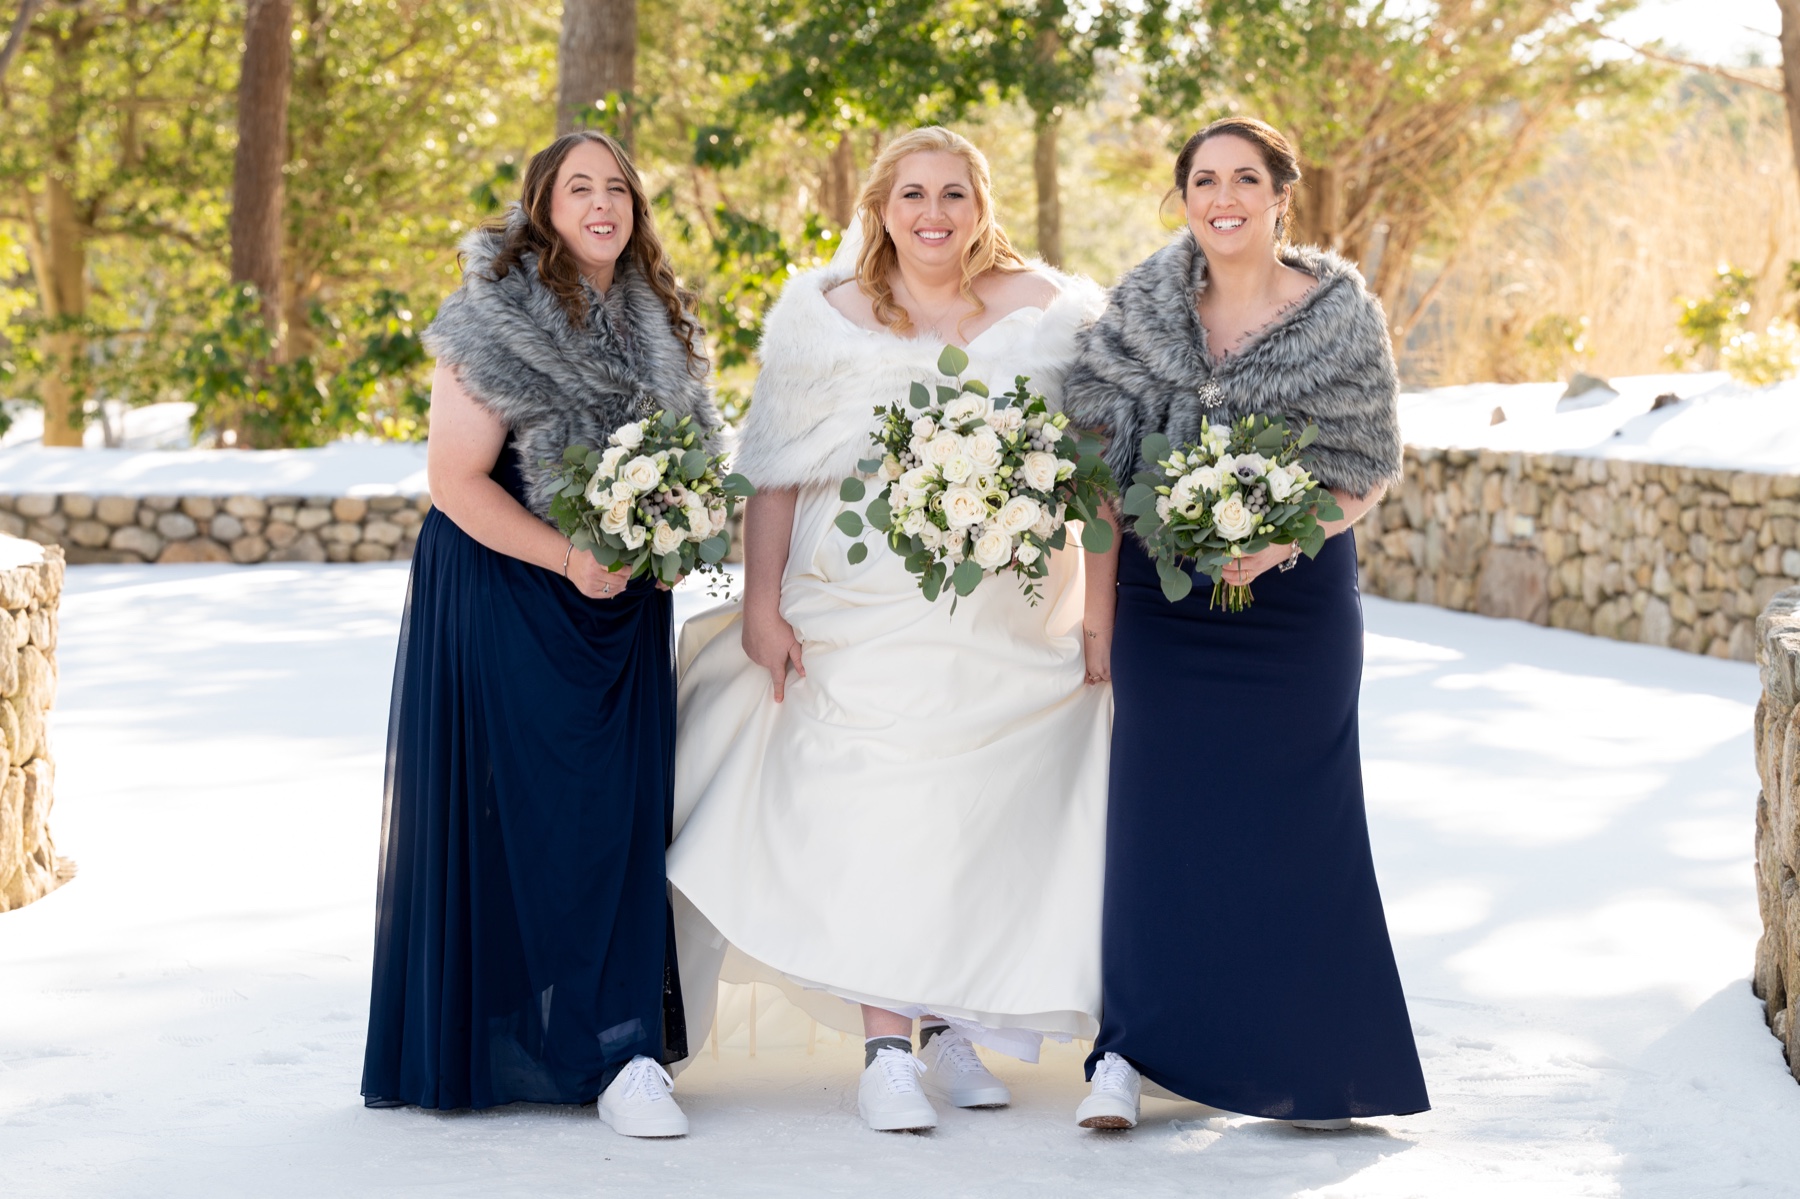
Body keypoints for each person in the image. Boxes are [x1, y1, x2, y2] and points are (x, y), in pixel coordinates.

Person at [667, 126, 1112, 1133]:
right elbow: (775, 470)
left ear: (982, 204)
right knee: (886, 801)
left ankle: (951, 1019)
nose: (934, 214)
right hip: (859, 591)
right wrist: (763, 602)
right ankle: (884, 1048)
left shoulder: (1049, 315)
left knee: (976, 809)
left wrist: (1098, 618)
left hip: (1008, 597)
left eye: (954, 193)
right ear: (880, 206)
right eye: (912, 194)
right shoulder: (825, 317)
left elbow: (1096, 483)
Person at [1063, 116, 1430, 1131]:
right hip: (1160, 606)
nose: (1223, 196)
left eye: (1244, 178)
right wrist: (1098, 617)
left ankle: (1310, 1059)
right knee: (1155, 827)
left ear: (1281, 195)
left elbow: (1369, 465)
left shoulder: (1341, 316)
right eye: (1203, 180)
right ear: (1183, 199)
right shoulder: (1135, 313)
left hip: (1298, 605)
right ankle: (1125, 1053)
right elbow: (1095, 472)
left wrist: (1280, 539)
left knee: (1298, 826)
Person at [360, 130, 719, 1137]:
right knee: (529, 818)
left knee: (621, 816)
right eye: (579, 187)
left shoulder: (662, 322)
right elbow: (454, 479)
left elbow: (688, 459)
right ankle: (559, 1044)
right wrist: (568, 558)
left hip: (624, 605)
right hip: (512, 587)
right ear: (543, 206)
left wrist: (677, 528)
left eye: (619, 187)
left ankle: (621, 1042)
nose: (603, 202)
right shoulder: (497, 317)